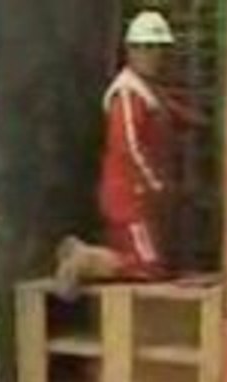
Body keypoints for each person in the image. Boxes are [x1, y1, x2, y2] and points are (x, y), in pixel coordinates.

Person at [56, 11, 200, 298]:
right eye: (144, 47)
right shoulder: (127, 94)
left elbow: (170, 113)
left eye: (157, 48)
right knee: (149, 267)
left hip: (136, 199)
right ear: (131, 50)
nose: (152, 55)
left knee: (150, 260)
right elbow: (130, 146)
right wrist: (155, 184)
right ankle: (83, 260)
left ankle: (84, 255)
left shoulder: (146, 91)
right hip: (129, 198)